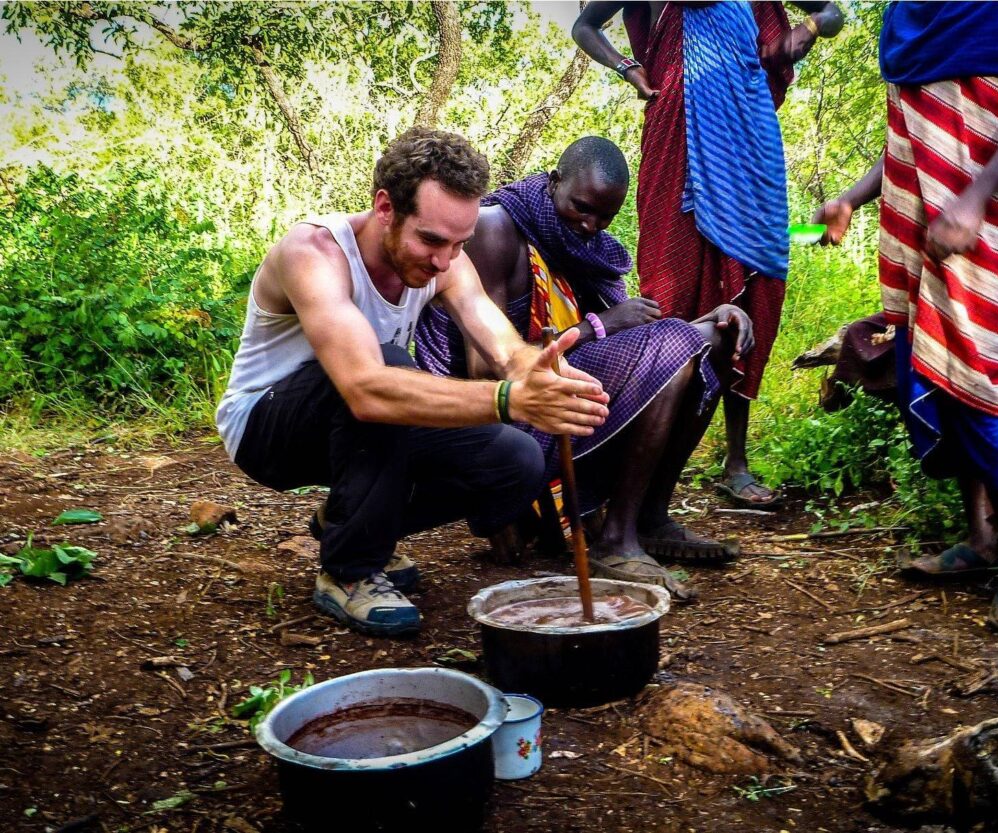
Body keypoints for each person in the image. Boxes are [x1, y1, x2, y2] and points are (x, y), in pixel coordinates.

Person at [215, 128, 611, 637]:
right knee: (384, 370)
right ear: (385, 207)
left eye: (458, 243)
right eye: (431, 240)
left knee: (515, 460)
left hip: (360, 417)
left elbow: (500, 343)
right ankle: (349, 572)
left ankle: (348, 521)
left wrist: (531, 370)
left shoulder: (445, 261)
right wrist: (508, 398)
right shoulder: (313, 252)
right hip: (266, 431)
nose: (444, 260)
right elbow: (365, 387)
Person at [813, 2, 998, 635]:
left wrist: (973, 198)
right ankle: (981, 538)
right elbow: (913, 138)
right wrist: (853, 198)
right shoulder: (907, 16)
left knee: (987, 384)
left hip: (992, 221)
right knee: (938, 375)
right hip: (925, 230)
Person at [415, 137, 754, 603]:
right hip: (503, 419)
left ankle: (649, 518)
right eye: (581, 208)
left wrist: (712, 317)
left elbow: (638, 336)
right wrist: (600, 326)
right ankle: (616, 541)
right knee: (675, 344)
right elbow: (485, 374)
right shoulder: (496, 230)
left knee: (714, 338)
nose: (590, 226)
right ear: (554, 183)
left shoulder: (582, 248)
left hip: (560, 392)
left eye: (605, 218)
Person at [573, 0, 843, 509]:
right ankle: (640, 470)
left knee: (754, 286)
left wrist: (806, 30)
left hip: (748, 138)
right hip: (674, 135)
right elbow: (585, 25)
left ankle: (735, 461)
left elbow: (832, 12)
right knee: (670, 294)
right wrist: (630, 69)